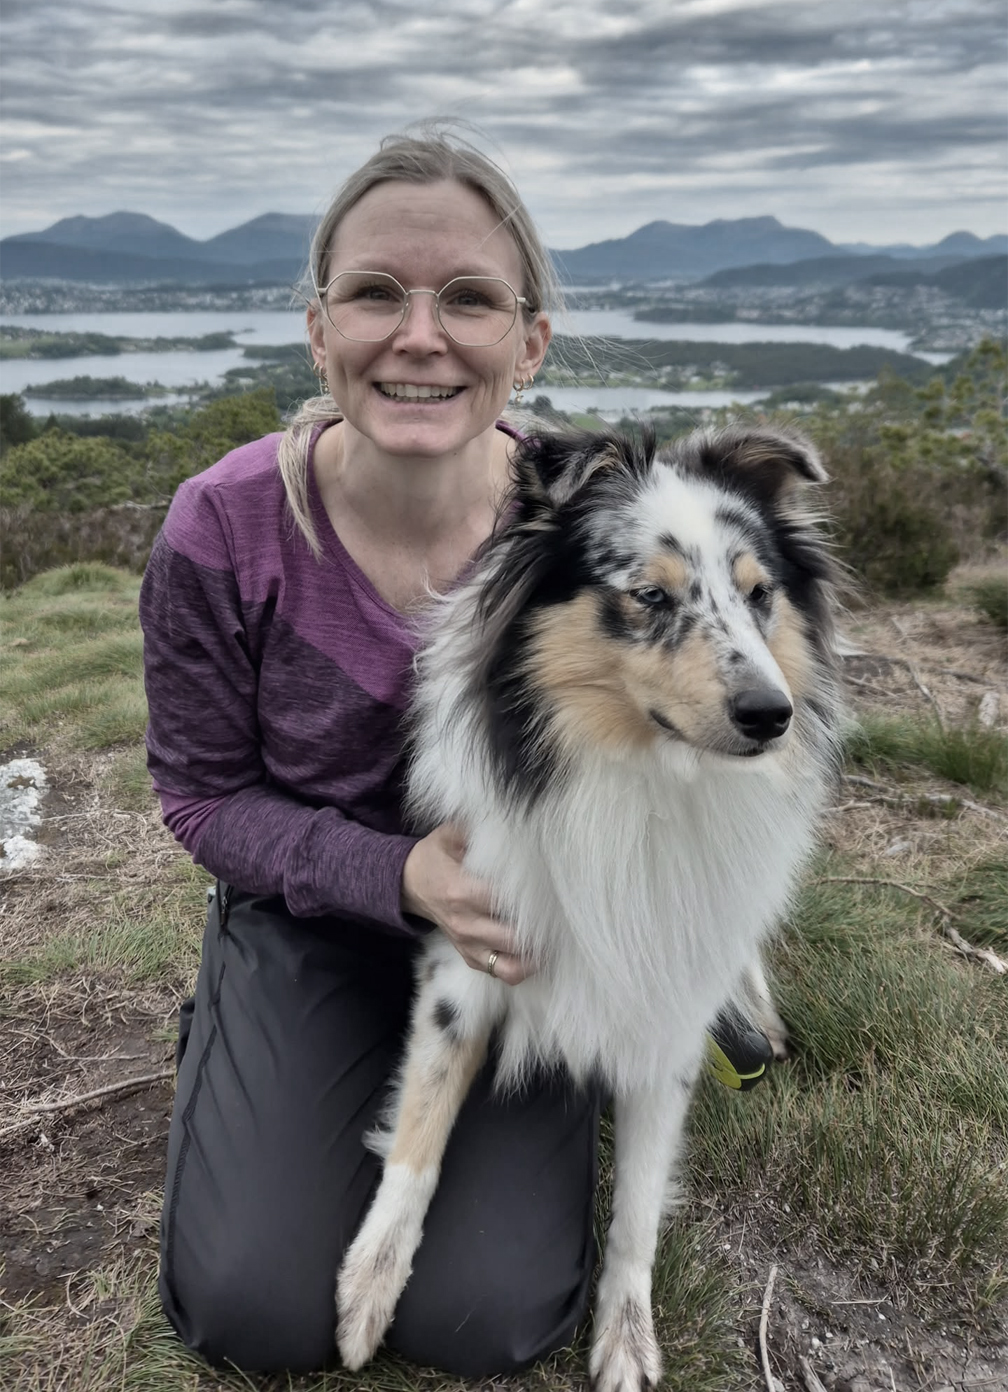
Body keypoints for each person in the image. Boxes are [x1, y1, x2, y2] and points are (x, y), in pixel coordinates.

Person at [139, 128, 604, 1377]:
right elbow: (197, 797)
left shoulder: (589, 527)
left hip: (523, 932)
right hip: (309, 920)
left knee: (484, 1319)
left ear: (529, 341)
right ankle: (243, 1039)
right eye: (374, 294)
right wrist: (396, 878)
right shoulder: (223, 528)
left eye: (468, 299)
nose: (419, 335)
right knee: (252, 1310)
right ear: (317, 330)